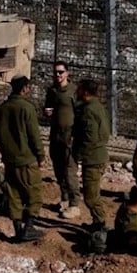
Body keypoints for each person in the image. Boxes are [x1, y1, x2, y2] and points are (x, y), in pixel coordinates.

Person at [0, 76, 46, 243]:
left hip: (9, 159)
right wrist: (41, 156)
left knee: (14, 194)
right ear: (24, 88)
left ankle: (17, 229)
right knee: (34, 194)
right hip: (26, 160)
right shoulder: (26, 108)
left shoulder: (2, 108)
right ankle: (28, 228)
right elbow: (34, 136)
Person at [44, 61, 81, 220]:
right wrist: (47, 112)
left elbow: (80, 114)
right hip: (56, 136)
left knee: (70, 171)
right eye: (56, 73)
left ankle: (74, 204)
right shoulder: (52, 91)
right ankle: (64, 198)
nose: (58, 75)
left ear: (67, 73)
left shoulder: (73, 92)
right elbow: (48, 108)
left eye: (60, 72)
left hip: (69, 137)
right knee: (58, 170)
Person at [72, 78, 110, 230]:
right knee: (92, 193)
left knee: (91, 197)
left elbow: (90, 136)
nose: (77, 92)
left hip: (93, 158)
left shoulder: (89, 111)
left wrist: (80, 153)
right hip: (97, 156)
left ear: (86, 92)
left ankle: (100, 224)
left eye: (80, 89)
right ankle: (97, 222)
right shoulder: (97, 106)